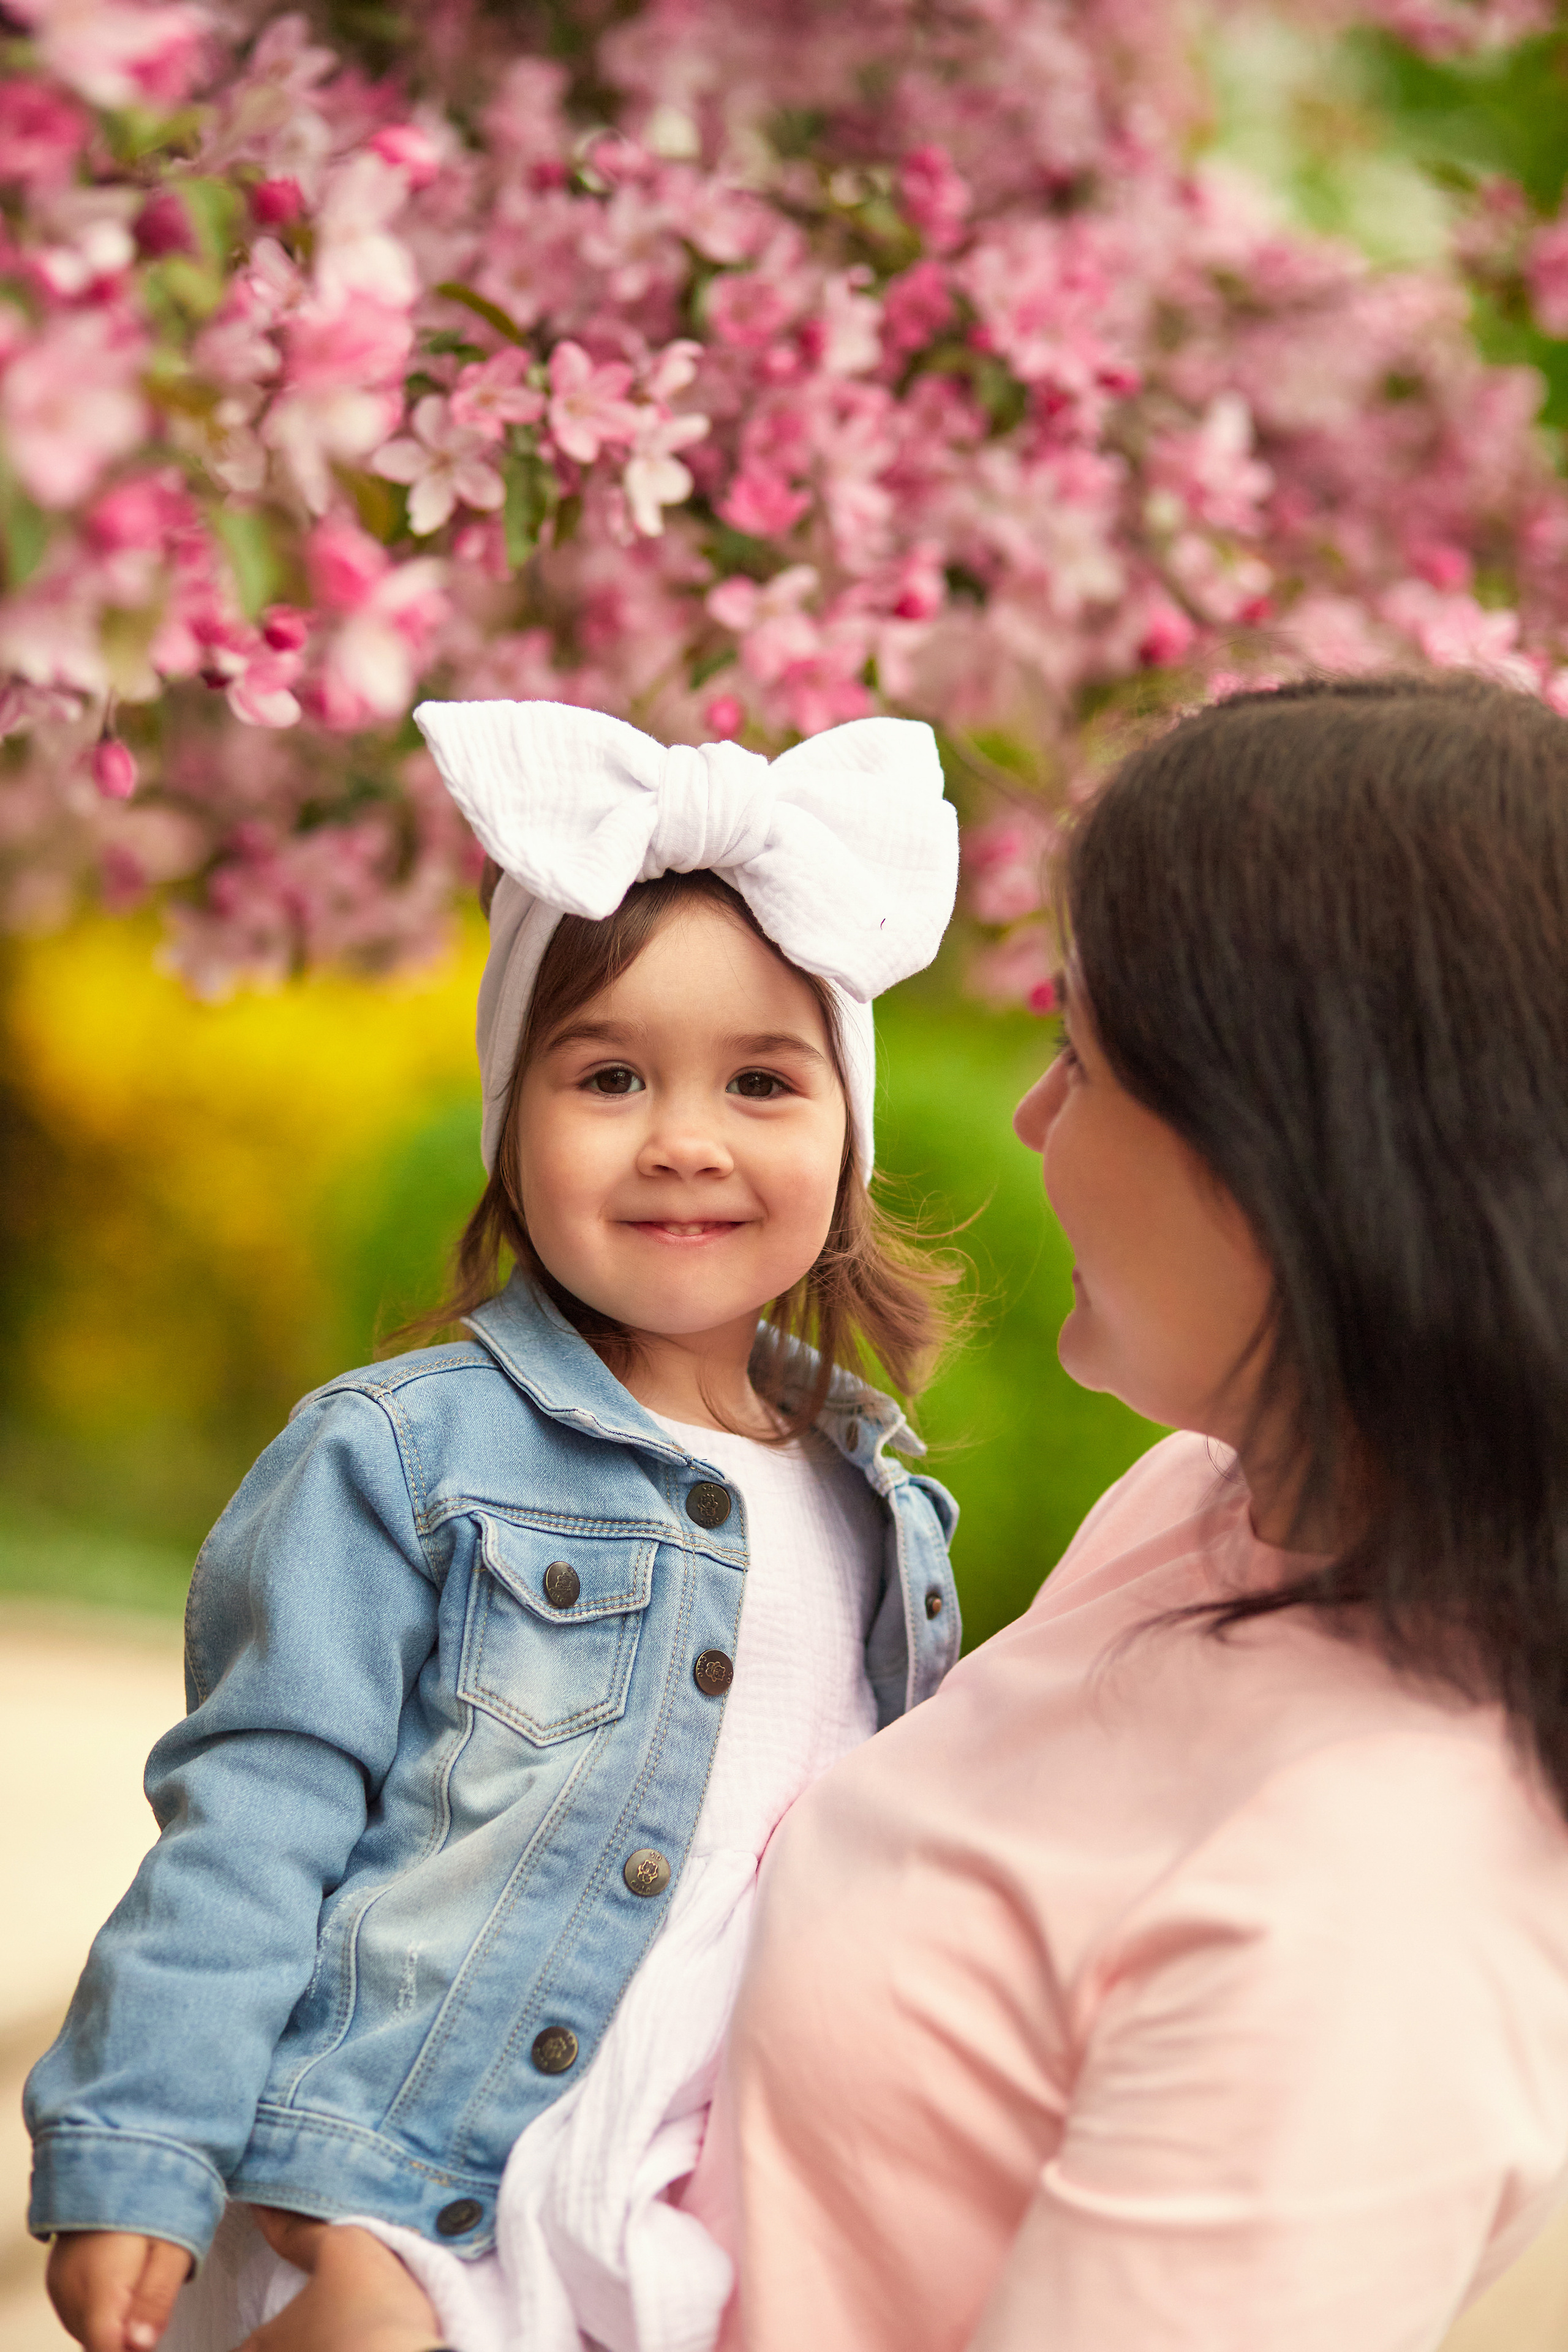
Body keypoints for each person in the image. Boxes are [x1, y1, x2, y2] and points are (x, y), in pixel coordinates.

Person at [26, 699, 964, 2352]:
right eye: (609, 1076)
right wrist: (142, 2139)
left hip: (694, 2209)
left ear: (846, 1134)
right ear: (510, 1127)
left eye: (762, 1080)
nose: (686, 1137)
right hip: (411, 2187)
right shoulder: (399, 1458)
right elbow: (256, 1819)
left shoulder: (877, 1495)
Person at [683, 673, 1568, 2350]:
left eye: (1080, 1057)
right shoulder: (1210, 1508)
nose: (1028, 1119)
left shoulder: (1376, 1902)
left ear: (1301, 1154)